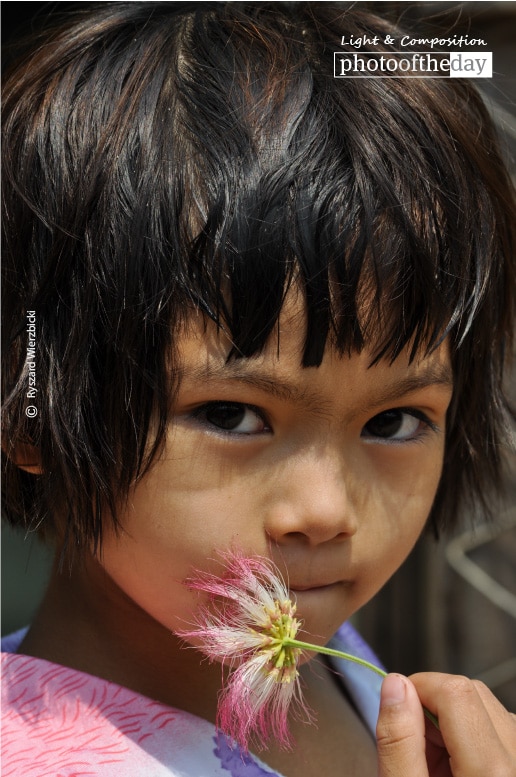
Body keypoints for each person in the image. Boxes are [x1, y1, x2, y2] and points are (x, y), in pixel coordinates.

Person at [2, 2, 515, 775]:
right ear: (30, 410)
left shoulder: (313, 653)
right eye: (232, 413)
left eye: (395, 420)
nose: (325, 513)